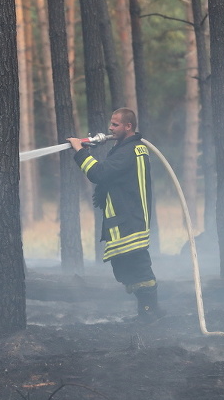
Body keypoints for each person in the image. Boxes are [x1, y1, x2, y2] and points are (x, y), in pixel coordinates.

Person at [68, 108, 158, 319]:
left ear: (128, 126)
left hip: (129, 220)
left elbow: (99, 174)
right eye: (111, 124)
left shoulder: (128, 151)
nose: (110, 128)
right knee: (126, 270)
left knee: (139, 270)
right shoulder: (130, 148)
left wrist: (80, 152)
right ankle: (146, 311)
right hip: (130, 218)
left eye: (115, 125)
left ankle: (150, 312)